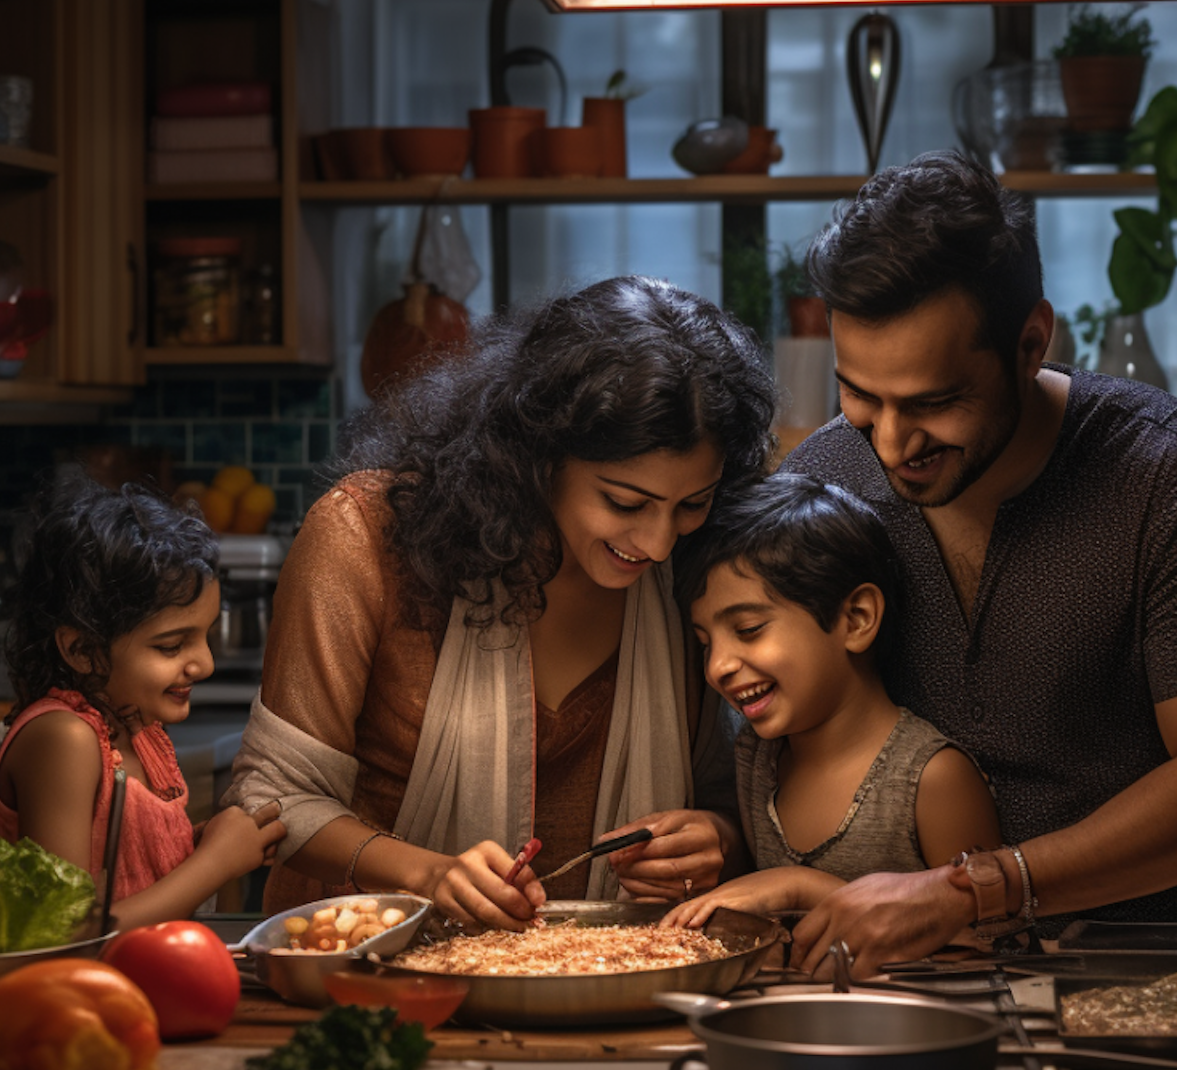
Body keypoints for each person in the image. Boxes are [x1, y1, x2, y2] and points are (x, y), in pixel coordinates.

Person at [783, 151, 1177, 976]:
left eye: (933, 402)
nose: (889, 443)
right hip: (930, 992)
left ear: (1031, 343)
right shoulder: (822, 484)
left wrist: (970, 892)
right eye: (860, 396)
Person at [225, 275, 777, 928]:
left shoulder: (701, 564)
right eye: (625, 503)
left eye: (691, 503)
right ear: (537, 456)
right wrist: (427, 872)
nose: (657, 543)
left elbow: (731, 792)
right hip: (368, 973)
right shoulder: (365, 537)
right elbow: (271, 801)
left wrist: (718, 836)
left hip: (605, 975)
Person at [663, 472, 1001, 930]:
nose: (717, 666)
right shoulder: (756, 758)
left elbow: (985, 949)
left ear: (857, 619)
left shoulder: (932, 780)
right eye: (706, 643)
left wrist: (802, 887)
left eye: (748, 630)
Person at [0, 476, 286, 928]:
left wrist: (208, 846)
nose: (204, 664)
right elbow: (64, 932)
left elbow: (125, 871)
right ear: (82, 650)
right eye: (170, 646)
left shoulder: (136, 729)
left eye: (205, 636)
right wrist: (214, 865)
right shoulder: (63, 739)